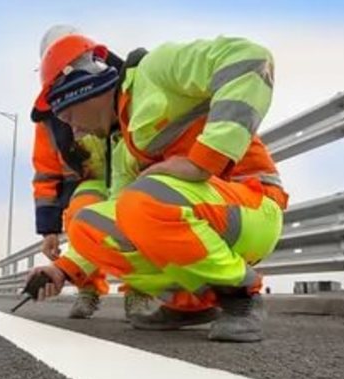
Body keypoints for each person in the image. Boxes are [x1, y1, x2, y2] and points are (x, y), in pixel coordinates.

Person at [27, 31, 288, 342]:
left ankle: (241, 297)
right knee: (87, 224)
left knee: (142, 202)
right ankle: (189, 302)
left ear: (84, 88)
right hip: (201, 213)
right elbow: (121, 216)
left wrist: (205, 160)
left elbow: (251, 58)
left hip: (253, 207)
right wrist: (64, 270)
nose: (75, 131)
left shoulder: (156, 69)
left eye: (68, 116)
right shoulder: (123, 145)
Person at [31, 26, 154, 319]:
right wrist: (49, 228)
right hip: (92, 179)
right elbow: (46, 172)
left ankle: (139, 291)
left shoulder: (119, 80)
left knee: (135, 214)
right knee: (80, 214)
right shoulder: (48, 119)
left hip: (130, 170)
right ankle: (87, 288)